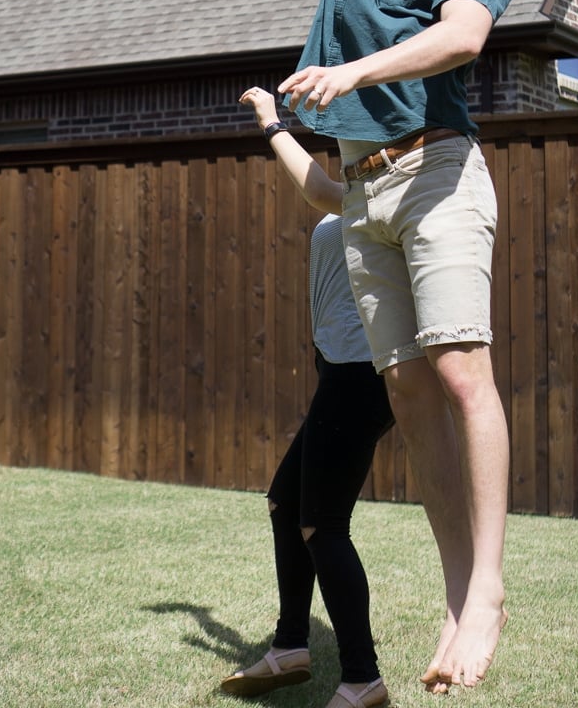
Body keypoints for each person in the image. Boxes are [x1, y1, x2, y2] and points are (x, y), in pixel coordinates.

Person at [270, 0, 517, 694]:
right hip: (365, 193)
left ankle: (487, 590)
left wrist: (353, 76)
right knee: (409, 398)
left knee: (460, 375)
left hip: (436, 171)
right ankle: (455, 594)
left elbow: (461, 38)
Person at [220, 86, 394, 708]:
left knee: (322, 522)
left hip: (362, 376)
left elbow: (316, 187)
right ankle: (292, 645)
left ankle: (362, 678)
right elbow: (326, 186)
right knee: (284, 501)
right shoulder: (359, 185)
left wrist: (272, 124)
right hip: (339, 372)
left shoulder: (383, 189)